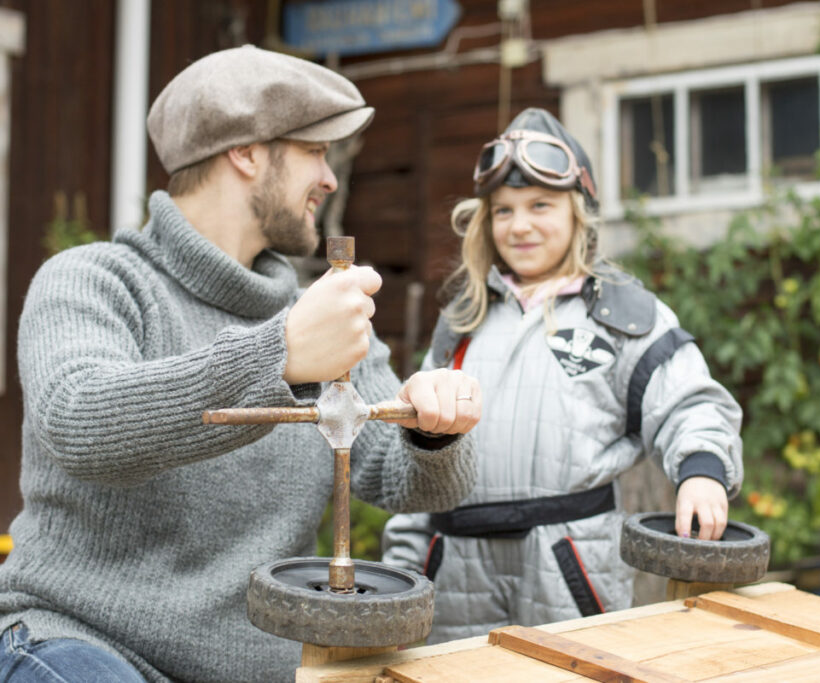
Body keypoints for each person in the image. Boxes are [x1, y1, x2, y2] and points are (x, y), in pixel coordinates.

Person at [0, 45, 480, 682]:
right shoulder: (91, 281)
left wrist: (430, 426)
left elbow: (409, 483)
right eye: (314, 149)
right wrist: (277, 354)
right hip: (79, 641)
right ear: (247, 151)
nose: (331, 178)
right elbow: (78, 422)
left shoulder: (318, 315)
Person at [382, 108, 743, 643]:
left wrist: (703, 471)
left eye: (540, 206)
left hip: (570, 569)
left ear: (578, 213)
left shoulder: (622, 312)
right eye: (502, 210)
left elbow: (690, 402)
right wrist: (405, 564)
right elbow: (421, 452)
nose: (519, 225)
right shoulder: (462, 320)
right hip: (454, 569)